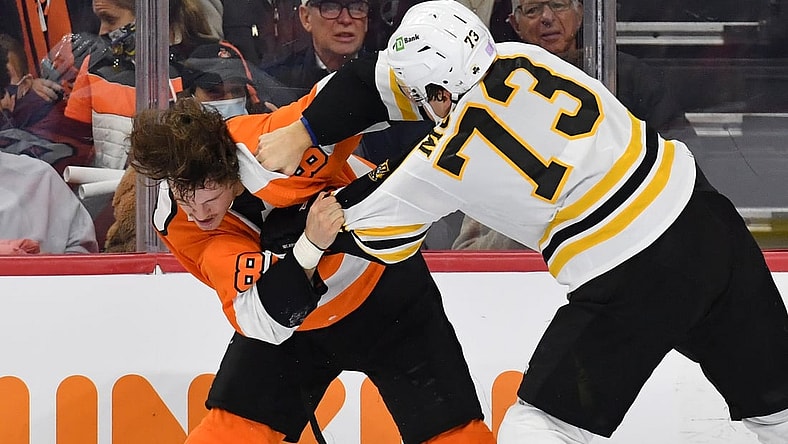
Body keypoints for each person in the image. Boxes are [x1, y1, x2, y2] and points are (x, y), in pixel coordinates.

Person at [253, 1, 788, 442]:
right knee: (777, 409)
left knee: (540, 428)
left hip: (631, 273)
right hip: (707, 219)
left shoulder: (433, 165)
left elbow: (357, 228)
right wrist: (308, 128)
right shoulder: (524, 55)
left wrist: (279, 208)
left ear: (436, 94)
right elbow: (380, 82)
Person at [127, 97, 495, 443]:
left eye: (206, 198)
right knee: (234, 429)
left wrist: (434, 99)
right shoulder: (179, 222)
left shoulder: (273, 137)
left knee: (453, 431)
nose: (196, 215)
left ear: (228, 170)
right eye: (183, 198)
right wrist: (310, 246)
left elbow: (362, 87)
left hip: (386, 293)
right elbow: (264, 319)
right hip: (295, 328)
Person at [454, 0, 686, 250]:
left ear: (581, 14)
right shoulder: (492, 94)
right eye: (532, 10)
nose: (546, 17)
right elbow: (466, 251)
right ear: (515, 24)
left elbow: (679, 159)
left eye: (558, 5)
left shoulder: (627, 76)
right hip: (526, 262)